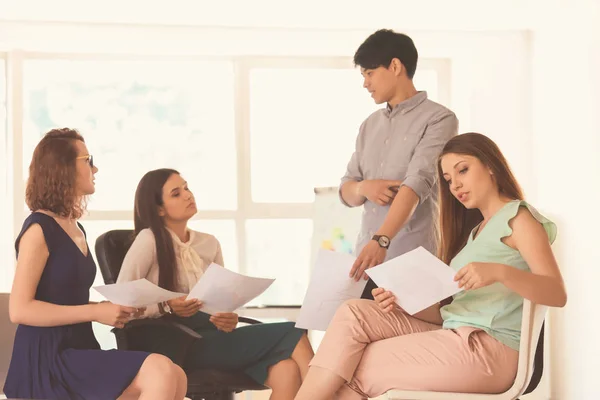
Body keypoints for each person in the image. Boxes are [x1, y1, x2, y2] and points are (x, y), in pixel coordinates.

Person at [295, 133, 567, 399]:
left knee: (355, 366)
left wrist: (499, 272)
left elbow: (556, 293)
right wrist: (402, 302)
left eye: (463, 170)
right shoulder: (475, 234)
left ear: (490, 166)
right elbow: (451, 314)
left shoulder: (519, 218)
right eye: (448, 180)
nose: (456, 185)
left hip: (488, 349)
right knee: (353, 312)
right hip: (454, 335)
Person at [4, 128, 187, 400]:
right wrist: (93, 313)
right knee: (159, 370)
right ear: (62, 168)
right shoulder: (38, 229)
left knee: (176, 374)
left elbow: (64, 301)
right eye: (88, 160)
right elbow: (19, 310)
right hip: (48, 358)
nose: (95, 168)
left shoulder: (76, 229)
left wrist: (104, 308)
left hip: (79, 347)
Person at [118, 168, 315, 400]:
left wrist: (228, 317)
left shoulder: (209, 243)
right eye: (176, 193)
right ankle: (330, 395)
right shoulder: (148, 239)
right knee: (291, 331)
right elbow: (122, 300)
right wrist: (166, 306)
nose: (188, 195)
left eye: (187, 188)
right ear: (159, 209)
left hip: (213, 337)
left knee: (286, 370)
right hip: (176, 344)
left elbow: (222, 300)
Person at [339, 29, 458, 298]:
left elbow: (417, 183)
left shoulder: (440, 119)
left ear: (395, 66)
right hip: (366, 263)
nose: (365, 84)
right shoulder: (369, 125)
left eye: (369, 73)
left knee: (408, 340)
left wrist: (381, 239)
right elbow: (346, 190)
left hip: (413, 262)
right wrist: (363, 188)